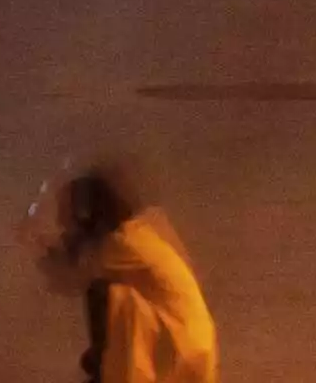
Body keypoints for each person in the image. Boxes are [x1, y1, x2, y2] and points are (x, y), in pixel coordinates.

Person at [31, 162, 220, 382]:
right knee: (109, 291)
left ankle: (103, 369)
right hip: (191, 341)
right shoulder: (133, 234)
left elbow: (71, 274)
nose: (61, 220)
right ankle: (102, 364)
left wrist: (36, 241)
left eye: (66, 211)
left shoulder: (122, 244)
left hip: (178, 346)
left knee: (104, 291)